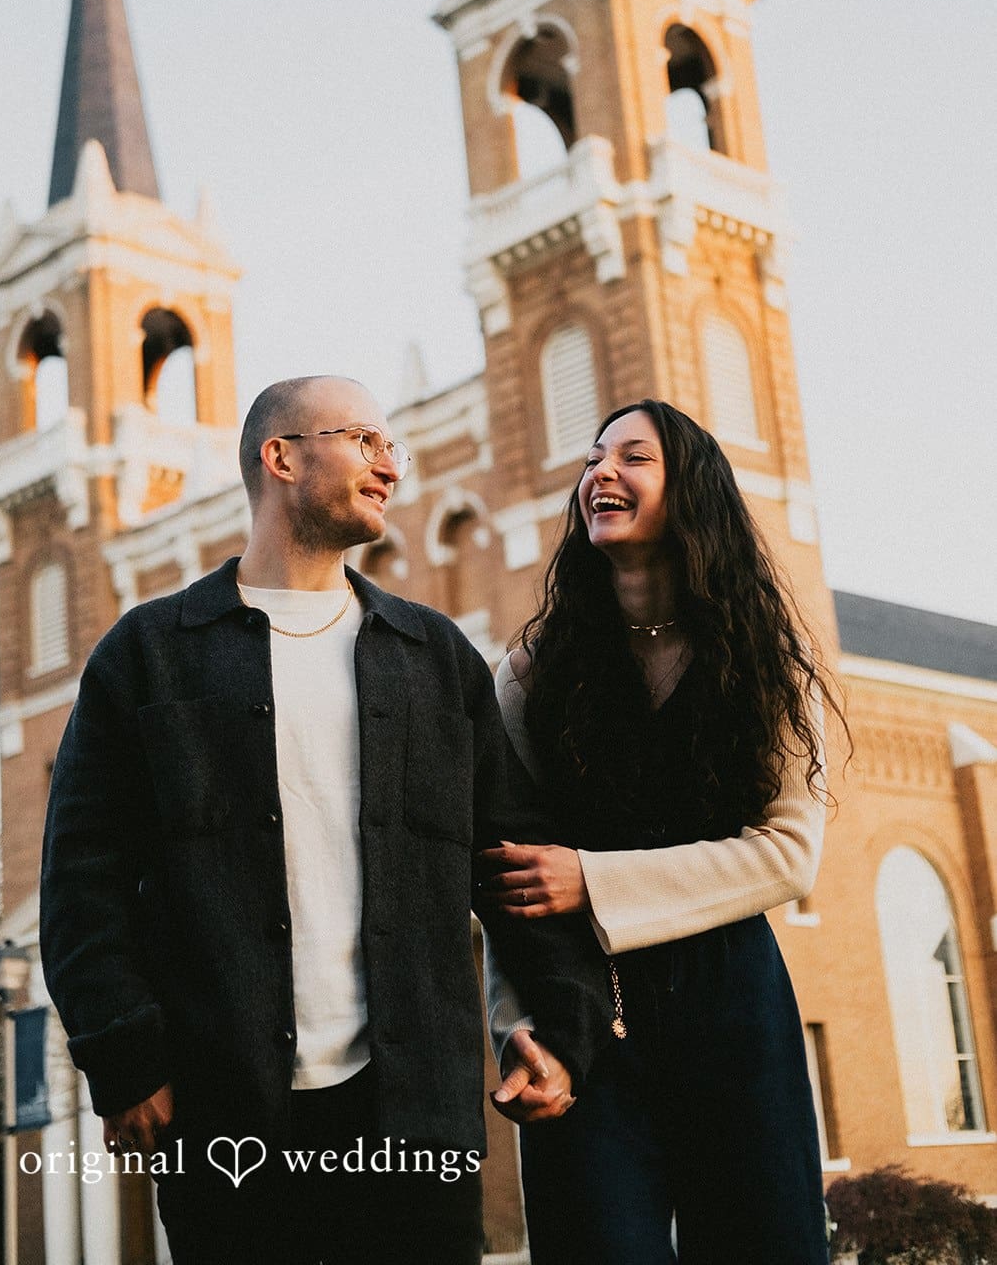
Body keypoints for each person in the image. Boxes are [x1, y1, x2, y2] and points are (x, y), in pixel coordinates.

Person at [41, 375, 611, 1265]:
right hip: (221, 1118)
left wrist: (561, 1028)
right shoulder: (148, 655)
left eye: (395, 448)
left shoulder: (433, 658)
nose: (391, 467)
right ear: (281, 458)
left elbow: (510, 858)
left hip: (412, 1120)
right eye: (365, 442)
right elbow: (83, 878)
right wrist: (124, 1058)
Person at [481, 399, 846, 1265]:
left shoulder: (766, 657)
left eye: (633, 458)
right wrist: (515, 1025)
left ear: (691, 492)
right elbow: (504, 874)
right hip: (584, 1022)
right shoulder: (530, 675)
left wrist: (593, 879)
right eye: (592, 458)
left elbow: (790, 856)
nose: (600, 472)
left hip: (736, 1012)